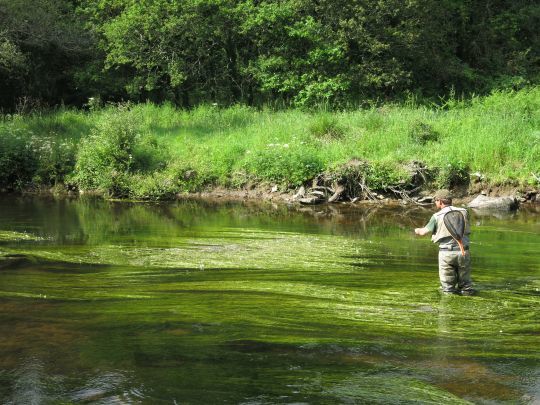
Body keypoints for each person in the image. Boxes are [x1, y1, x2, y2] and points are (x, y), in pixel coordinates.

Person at [414, 190, 475, 295]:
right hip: (464, 252)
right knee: (466, 286)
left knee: (448, 288)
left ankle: (448, 307)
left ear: (440, 201)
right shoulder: (464, 212)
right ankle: (467, 303)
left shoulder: (436, 216)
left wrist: (417, 230)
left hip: (446, 254)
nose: (435, 203)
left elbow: (423, 232)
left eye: (435, 201)